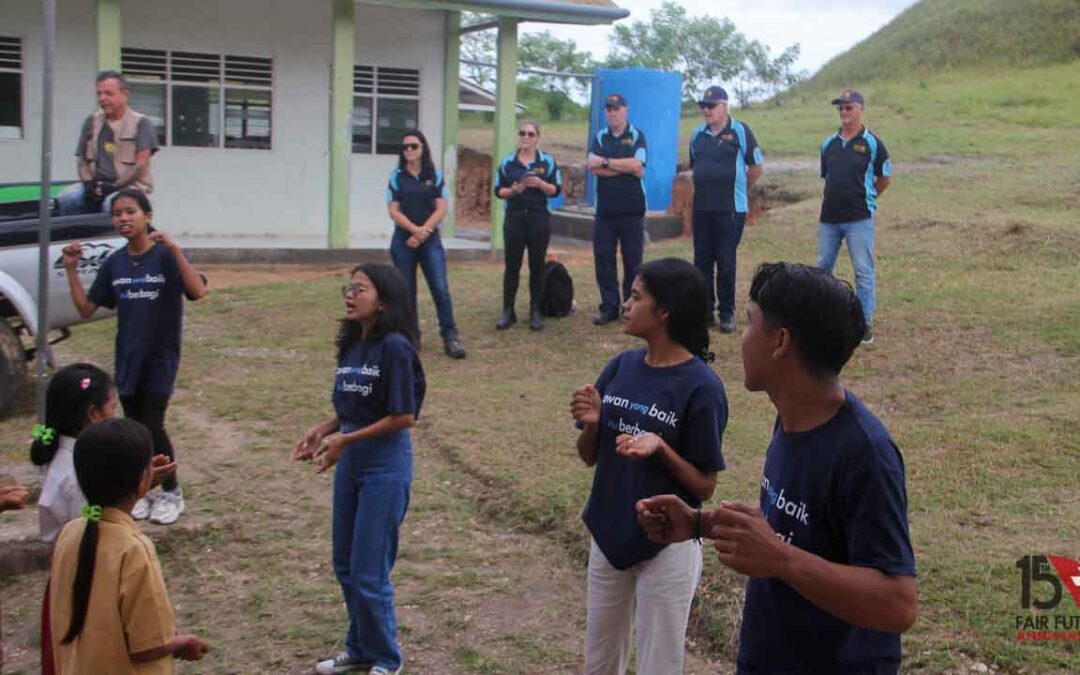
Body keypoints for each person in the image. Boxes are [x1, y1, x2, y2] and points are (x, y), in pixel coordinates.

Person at [637, 262, 917, 674]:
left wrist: (782, 559)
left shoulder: (866, 454)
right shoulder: (791, 417)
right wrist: (701, 523)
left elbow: (898, 604)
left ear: (780, 341)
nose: (741, 339)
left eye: (750, 323)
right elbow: (792, 533)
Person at [570, 258, 727, 674]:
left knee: (659, 664)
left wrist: (662, 449)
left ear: (665, 312)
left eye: (636, 297)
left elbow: (705, 486)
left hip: (668, 545)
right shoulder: (620, 368)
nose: (624, 304)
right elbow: (589, 456)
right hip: (608, 533)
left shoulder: (702, 387)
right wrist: (591, 426)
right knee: (599, 660)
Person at [291, 262, 425, 675]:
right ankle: (361, 648)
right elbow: (351, 407)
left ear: (383, 301)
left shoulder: (397, 348)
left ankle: (386, 658)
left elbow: (403, 415)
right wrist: (325, 428)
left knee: (370, 569)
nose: (350, 294)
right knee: (346, 563)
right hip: (350, 458)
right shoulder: (353, 345)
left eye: (360, 289)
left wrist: (345, 440)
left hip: (384, 464)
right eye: (349, 287)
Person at [61, 190, 208, 525]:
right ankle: (141, 490)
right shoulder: (115, 262)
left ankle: (171, 491)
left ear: (147, 215)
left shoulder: (166, 257)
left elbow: (198, 292)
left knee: (152, 424)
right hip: (128, 357)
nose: (123, 219)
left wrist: (174, 249)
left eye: (130, 211)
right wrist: (71, 269)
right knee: (133, 426)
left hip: (160, 357)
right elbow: (86, 309)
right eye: (117, 213)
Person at [48, 418, 209, 673]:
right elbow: (147, 645)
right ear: (144, 477)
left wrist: (137, 488)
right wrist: (185, 642)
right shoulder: (133, 548)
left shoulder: (71, 532)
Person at [817, 89, 892, 345]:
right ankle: (820, 319)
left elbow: (885, 178)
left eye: (848, 108)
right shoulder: (828, 144)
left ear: (860, 109)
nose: (844, 112)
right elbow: (827, 178)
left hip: (859, 218)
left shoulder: (872, 143)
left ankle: (864, 323)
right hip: (829, 218)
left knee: (863, 271)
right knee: (822, 269)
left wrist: (867, 200)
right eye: (840, 108)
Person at [688, 86, 764, 334]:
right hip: (702, 208)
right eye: (703, 107)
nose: (706, 111)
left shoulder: (740, 131)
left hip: (730, 209)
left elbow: (755, 167)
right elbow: (694, 166)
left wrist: (740, 187)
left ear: (724, 106)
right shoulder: (697, 134)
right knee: (702, 261)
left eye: (711, 106)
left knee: (726, 261)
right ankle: (704, 310)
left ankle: (727, 312)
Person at [386, 129, 466, 359]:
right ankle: (411, 338)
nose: (409, 151)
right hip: (403, 241)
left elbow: (441, 208)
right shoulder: (396, 177)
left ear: (423, 148)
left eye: (414, 146)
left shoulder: (435, 175)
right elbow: (393, 211)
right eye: (405, 147)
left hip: (429, 240)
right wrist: (413, 230)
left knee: (440, 288)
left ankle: (450, 337)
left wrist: (423, 232)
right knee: (406, 292)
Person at [55, 71, 159, 216]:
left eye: (108, 94)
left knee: (113, 204)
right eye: (99, 94)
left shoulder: (141, 123)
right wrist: (89, 183)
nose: (102, 98)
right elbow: (82, 161)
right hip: (96, 184)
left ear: (125, 94)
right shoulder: (91, 122)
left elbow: (141, 164)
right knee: (67, 198)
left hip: (130, 186)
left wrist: (113, 186)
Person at [494, 121, 563, 331]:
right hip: (514, 218)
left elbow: (556, 190)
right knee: (512, 265)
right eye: (522, 133)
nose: (526, 137)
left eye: (530, 134)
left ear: (537, 137)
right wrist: (515, 189)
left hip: (538, 218)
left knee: (536, 266)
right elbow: (499, 191)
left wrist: (540, 184)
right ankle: (508, 310)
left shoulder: (547, 162)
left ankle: (535, 310)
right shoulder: (508, 162)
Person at [587, 93, 648, 326]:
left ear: (626, 110)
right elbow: (593, 166)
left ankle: (629, 307)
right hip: (605, 211)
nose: (612, 113)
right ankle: (609, 307)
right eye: (608, 109)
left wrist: (606, 162)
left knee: (633, 262)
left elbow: (638, 166)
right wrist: (621, 166)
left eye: (616, 109)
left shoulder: (637, 136)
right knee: (603, 259)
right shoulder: (600, 137)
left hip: (632, 210)